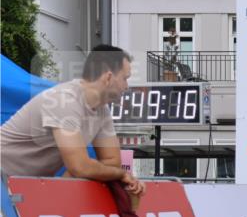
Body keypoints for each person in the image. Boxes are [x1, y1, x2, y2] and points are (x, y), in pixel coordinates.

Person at [0, 44, 144, 197]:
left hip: (17, 187)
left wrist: (83, 171)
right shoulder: (64, 100)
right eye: (125, 79)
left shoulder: (102, 109)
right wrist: (119, 174)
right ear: (108, 77)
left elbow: (112, 162)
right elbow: (80, 167)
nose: (127, 86)